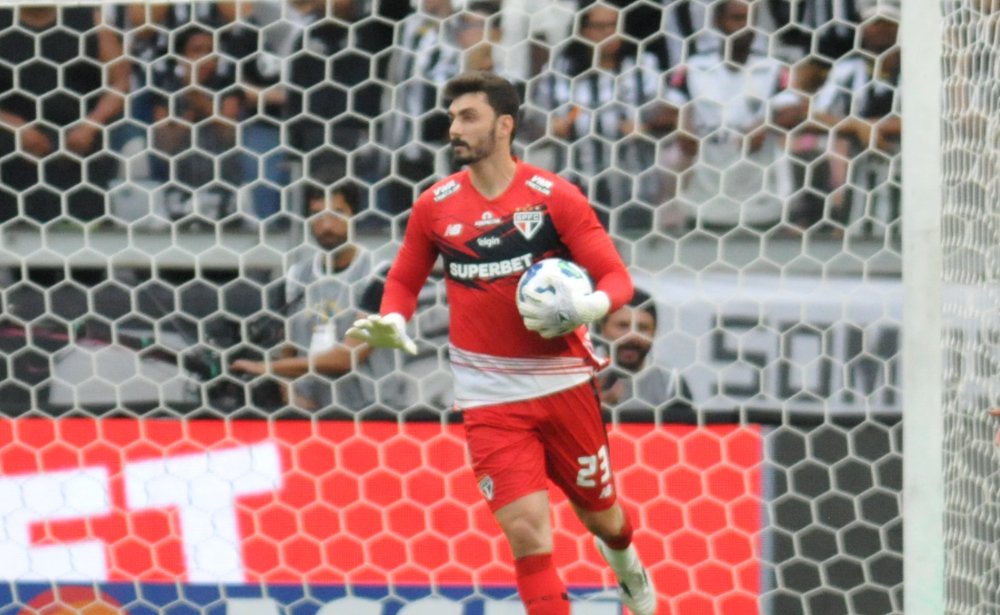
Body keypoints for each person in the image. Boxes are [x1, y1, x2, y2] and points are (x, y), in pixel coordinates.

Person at [347, 71, 656, 615]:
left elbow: (617, 280)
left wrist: (589, 308)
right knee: (528, 535)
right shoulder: (435, 205)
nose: (454, 128)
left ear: (504, 125)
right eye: (451, 117)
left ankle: (626, 563)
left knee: (603, 517)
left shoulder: (554, 197)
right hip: (488, 396)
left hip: (562, 384)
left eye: (468, 117)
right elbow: (402, 281)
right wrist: (393, 320)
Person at [230, 181, 376, 411]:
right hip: (311, 415)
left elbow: (348, 357)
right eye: (317, 215)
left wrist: (266, 368)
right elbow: (287, 348)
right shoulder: (298, 276)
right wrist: (292, 399)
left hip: (372, 415)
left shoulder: (378, 274)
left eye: (337, 213)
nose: (326, 225)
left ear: (355, 215)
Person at [660, 0, 801, 233]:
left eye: (749, 19)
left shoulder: (772, 68)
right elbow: (666, 111)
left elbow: (793, 112)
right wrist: (683, 125)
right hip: (703, 201)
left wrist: (764, 124)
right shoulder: (694, 68)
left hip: (759, 203)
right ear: (717, 22)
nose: (743, 27)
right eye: (736, 18)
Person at [0, 5, 130, 223]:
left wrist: (91, 124)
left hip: (81, 137)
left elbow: (120, 81)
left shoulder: (90, 18)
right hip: (12, 141)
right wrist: (15, 127)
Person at [594, 289, 693, 417]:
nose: (632, 336)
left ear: (654, 332)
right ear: (602, 329)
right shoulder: (579, 375)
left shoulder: (669, 382)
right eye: (623, 326)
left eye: (642, 328)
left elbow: (682, 434)